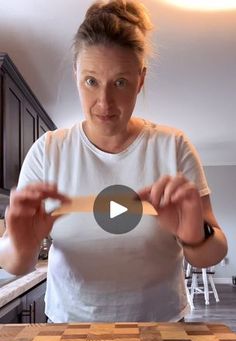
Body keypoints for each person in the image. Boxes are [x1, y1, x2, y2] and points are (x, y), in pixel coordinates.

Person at [0, 0, 227, 323]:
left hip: (159, 331)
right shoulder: (47, 151)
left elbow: (213, 252)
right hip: (70, 330)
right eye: (91, 81)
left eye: (120, 82)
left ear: (140, 80)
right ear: (76, 74)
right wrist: (21, 244)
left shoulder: (173, 147)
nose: (104, 102)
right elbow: (15, 263)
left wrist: (194, 235)